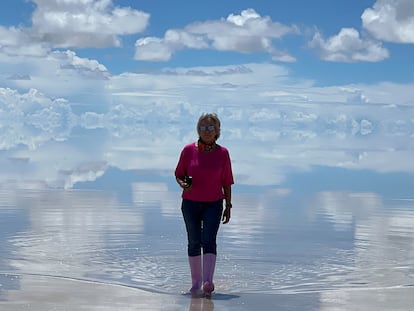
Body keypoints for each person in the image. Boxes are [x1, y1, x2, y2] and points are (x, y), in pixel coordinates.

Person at [175, 113, 234, 297]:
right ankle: (196, 284)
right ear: (197, 129)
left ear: (217, 131)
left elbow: (227, 181)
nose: (206, 131)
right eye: (203, 127)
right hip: (190, 204)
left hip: (214, 204)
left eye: (210, 128)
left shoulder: (223, 153)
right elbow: (179, 173)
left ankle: (208, 282)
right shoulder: (188, 150)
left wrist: (228, 205)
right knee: (194, 242)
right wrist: (183, 183)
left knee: (209, 241)